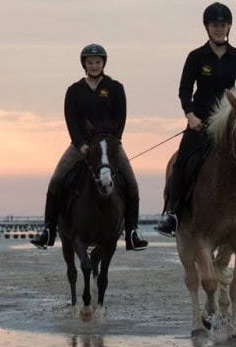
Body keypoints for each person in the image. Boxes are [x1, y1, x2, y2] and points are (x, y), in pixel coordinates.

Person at [31, 43, 149, 252]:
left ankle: (132, 232)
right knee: (56, 180)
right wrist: (80, 144)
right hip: (81, 146)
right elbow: (71, 120)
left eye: (97, 62)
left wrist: (113, 142)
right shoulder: (74, 90)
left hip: (109, 146)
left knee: (131, 183)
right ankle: (48, 230)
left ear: (103, 63)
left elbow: (120, 117)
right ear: (84, 65)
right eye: (90, 62)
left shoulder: (115, 88)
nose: (94, 66)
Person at [154, 2, 236, 237]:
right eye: (214, 25)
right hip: (200, 123)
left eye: (223, 25)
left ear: (229, 27)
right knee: (182, 163)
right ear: (207, 28)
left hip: (229, 125)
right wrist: (190, 116)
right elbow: (184, 90)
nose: (219, 29)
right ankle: (172, 213)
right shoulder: (196, 57)